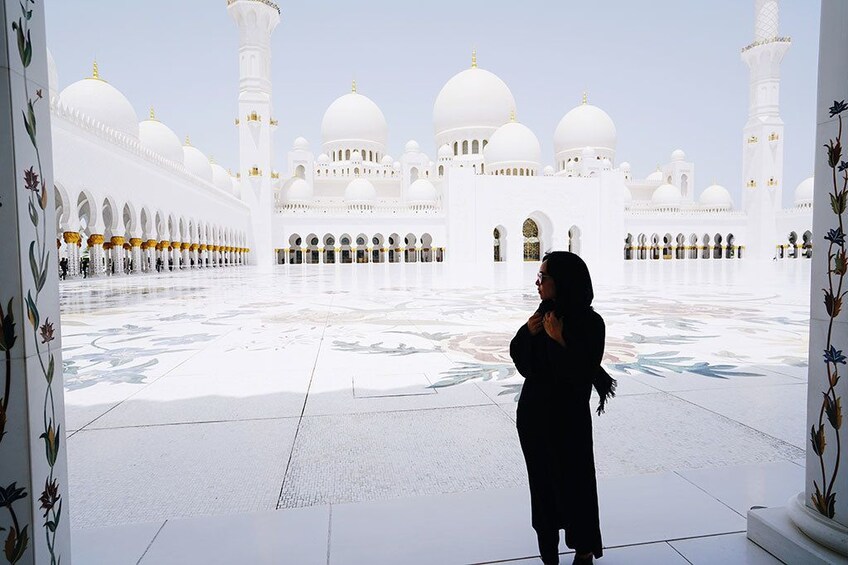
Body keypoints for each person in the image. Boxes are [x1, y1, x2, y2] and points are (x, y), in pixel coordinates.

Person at [510, 251, 615, 564]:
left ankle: (583, 550)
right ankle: (548, 553)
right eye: (539, 276)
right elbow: (524, 363)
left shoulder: (591, 324)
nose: (537, 283)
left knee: (577, 484)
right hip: (535, 421)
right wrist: (527, 333)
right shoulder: (542, 318)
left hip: (569, 422)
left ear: (564, 282)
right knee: (543, 488)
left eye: (544, 277)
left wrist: (559, 341)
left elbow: (579, 374)